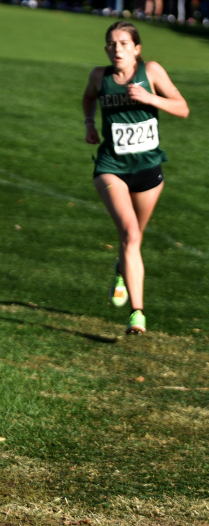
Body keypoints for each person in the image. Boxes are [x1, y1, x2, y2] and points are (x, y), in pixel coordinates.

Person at [82, 21, 188, 335]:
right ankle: (137, 314)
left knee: (134, 239)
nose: (118, 49)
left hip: (148, 168)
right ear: (106, 49)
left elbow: (182, 108)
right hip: (111, 167)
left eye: (124, 43)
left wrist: (150, 98)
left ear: (137, 49)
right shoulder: (99, 77)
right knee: (129, 233)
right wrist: (89, 123)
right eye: (112, 44)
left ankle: (121, 270)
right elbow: (88, 97)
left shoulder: (151, 72)